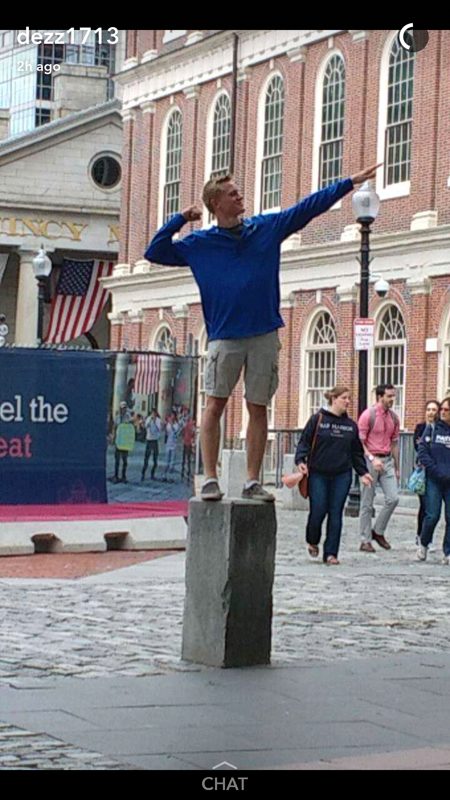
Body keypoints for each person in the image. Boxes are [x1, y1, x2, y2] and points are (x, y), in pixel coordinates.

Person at [145, 163, 382, 501]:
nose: (240, 196)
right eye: (232, 194)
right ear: (216, 204)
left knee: (258, 407)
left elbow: (307, 208)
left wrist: (348, 183)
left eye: (238, 191)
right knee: (214, 405)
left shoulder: (265, 228)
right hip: (225, 335)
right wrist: (181, 218)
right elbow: (154, 250)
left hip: (264, 334)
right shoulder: (199, 244)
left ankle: (252, 481)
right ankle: (210, 478)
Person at [294, 386, 373, 564]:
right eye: (344, 398)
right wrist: (300, 461)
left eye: (349, 398)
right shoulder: (318, 419)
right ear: (333, 399)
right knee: (318, 510)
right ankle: (312, 539)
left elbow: (356, 452)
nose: (347, 401)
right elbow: (304, 442)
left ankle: (331, 553)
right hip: (318, 473)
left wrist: (363, 472)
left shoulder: (350, 426)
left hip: (341, 474)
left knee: (336, 513)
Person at [358, 384, 400, 552]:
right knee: (367, 502)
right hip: (370, 460)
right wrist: (371, 458)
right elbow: (360, 442)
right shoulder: (368, 415)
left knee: (393, 498)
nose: (392, 399)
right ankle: (365, 540)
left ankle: (378, 531)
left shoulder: (394, 418)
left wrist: (397, 466)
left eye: (393, 396)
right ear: (380, 396)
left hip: (387, 460)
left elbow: (394, 443)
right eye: (389, 396)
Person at [416, 397, 450, 564]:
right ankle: (424, 543)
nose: (442, 412)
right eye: (441, 409)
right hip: (434, 479)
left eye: (446, 410)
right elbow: (423, 452)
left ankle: (448, 551)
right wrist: (435, 471)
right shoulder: (432, 429)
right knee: (432, 515)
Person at [413, 400, 440, 547]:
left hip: (438, 472)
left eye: (434, 410)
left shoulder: (442, 429)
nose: (431, 412)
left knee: (433, 509)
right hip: (423, 472)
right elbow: (419, 447)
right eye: (428, 409)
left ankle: (428, 538)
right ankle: (420, 536)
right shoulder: (420, 428)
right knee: (424, 506)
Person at [111, 401, 133, 484]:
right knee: (117, 460)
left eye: (125, 408)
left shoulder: (128, 417)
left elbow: (130, 427)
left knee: (125, 461)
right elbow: (115, 427)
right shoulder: (117, 417)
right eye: (122, 408)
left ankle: (124, 476)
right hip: (119, 440)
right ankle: (116, 475)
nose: (124, 409)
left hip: (125, 441)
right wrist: (113, 438)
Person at [141, 408, 162, 481]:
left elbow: (159, 429)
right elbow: (145, 427)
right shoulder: (149, 419)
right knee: (146, 458)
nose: (153, 415)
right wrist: (150, 421)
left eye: (154, 413)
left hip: (155, 440)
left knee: (155, 459)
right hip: (149, 440)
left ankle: (152, 474)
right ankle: (143, 473)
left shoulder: (158, 420)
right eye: (152, 413)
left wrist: (155, 422)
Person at [163, 413, 180, 480]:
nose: (172, 417)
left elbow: (175, 432)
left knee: (172, 459)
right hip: (168, 443)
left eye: (173, 416)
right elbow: (167, 432)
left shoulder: (176, 424)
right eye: (171, 416)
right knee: (167, 458)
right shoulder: (168, 424)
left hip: (174, 443)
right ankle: (165, 473)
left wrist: (172, 424)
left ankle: (171, 473)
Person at [181, 415, 196, 480]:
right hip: (188, 443)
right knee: (188, 458)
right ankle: (187, 471)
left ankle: (183, 471)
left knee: (185, 458)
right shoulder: (191, 427)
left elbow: (182, 433)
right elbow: (193, 434)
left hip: (186, 442)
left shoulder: (186, 425)